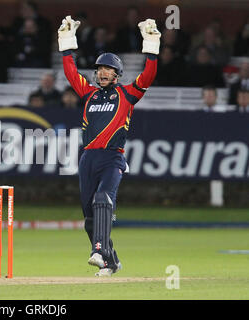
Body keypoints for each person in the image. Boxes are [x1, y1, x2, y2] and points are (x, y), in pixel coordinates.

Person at [58, 16, 159, 276]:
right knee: (90, 220)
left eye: (108, 69)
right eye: (100, 68)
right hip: (87, 159)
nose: (102, 72)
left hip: (112, 158)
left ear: (117, 74)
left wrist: (151, 44)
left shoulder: (127, 94)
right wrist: (67, 43)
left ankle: (99, 252)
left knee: (103, 200)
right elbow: (70, 72)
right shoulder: (88, 93)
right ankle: (111, 261)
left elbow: (148, 75)